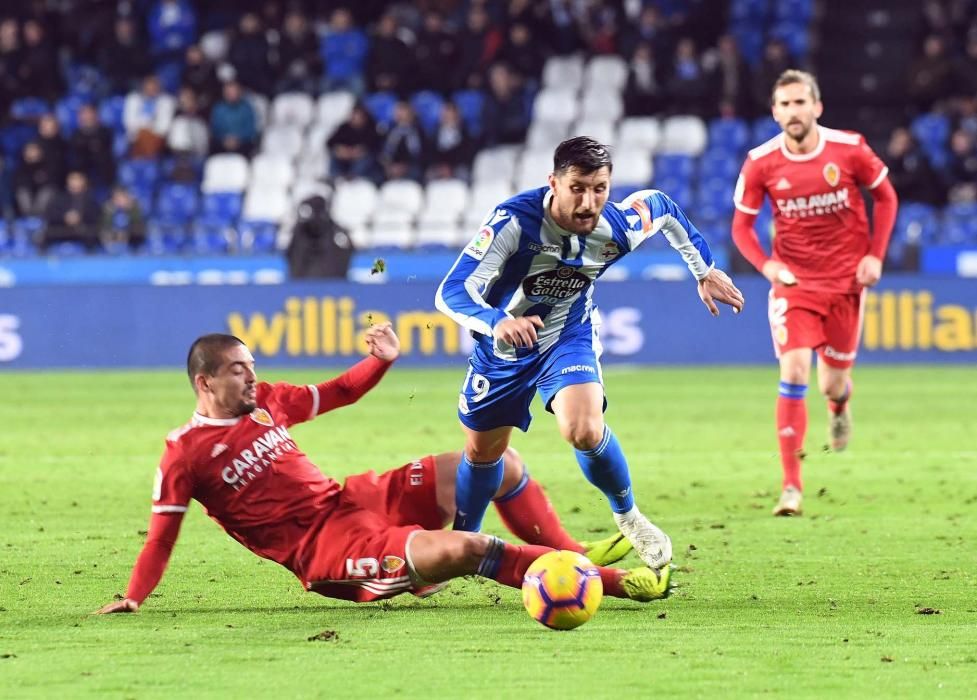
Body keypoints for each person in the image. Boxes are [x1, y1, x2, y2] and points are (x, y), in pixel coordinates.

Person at [95, 327, 670, 614]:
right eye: (239, 371)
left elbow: (339, 391)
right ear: (206, 383)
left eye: (252, 367)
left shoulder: (267, 400)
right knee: (465, 549)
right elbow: (161, 537)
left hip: (352, 500)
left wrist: (381, 360)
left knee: (501, 462)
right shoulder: (185, 453)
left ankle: (572, 551)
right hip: (323, 553)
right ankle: (612, 586)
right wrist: (135, 596)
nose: (252, 377)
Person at [434, 136, 744, 571]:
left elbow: (663, 208)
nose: (589, 201)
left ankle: (629, 517)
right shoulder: (513, 222)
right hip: (503, 347)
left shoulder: (616, 226)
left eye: (599, 188)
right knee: (485, 453)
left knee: (582, 428)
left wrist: (704, 270)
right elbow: (451, 291)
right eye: (578, 187)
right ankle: (462, 542)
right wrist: (497, 321)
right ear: (554, 184)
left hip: (566, 336)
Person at [731, 70, 899, 517]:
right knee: (795, 370)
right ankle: (791, 487)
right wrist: (768, 266)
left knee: (831, 381)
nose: (792, 112)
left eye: (800, 103)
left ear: (816, 107)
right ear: (774, 111)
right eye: (784, 105)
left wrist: (875, 256)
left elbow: (886, 198)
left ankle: (839, 403)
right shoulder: (760, 162)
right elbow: (741, 227)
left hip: (846, 283)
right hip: (795, 285)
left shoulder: (849, 149)